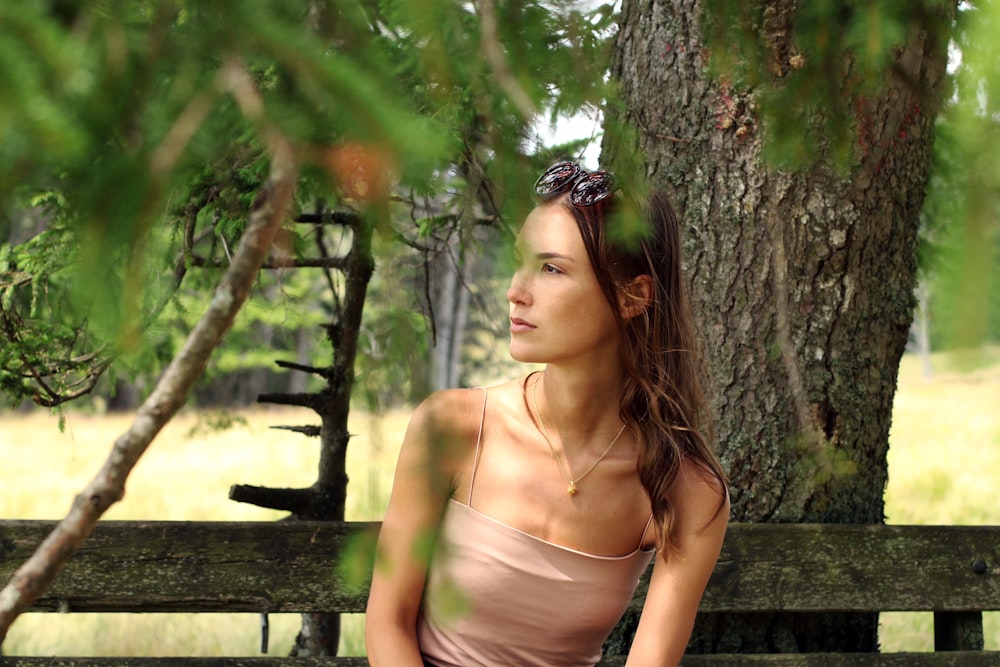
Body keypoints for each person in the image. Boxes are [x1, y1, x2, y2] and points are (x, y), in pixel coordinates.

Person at [365, 161, 730, 666]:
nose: (516, 290)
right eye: (520, 262)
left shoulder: (687, 492)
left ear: (633, 296)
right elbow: (388, 623)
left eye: (552, 268)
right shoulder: (453, 427)